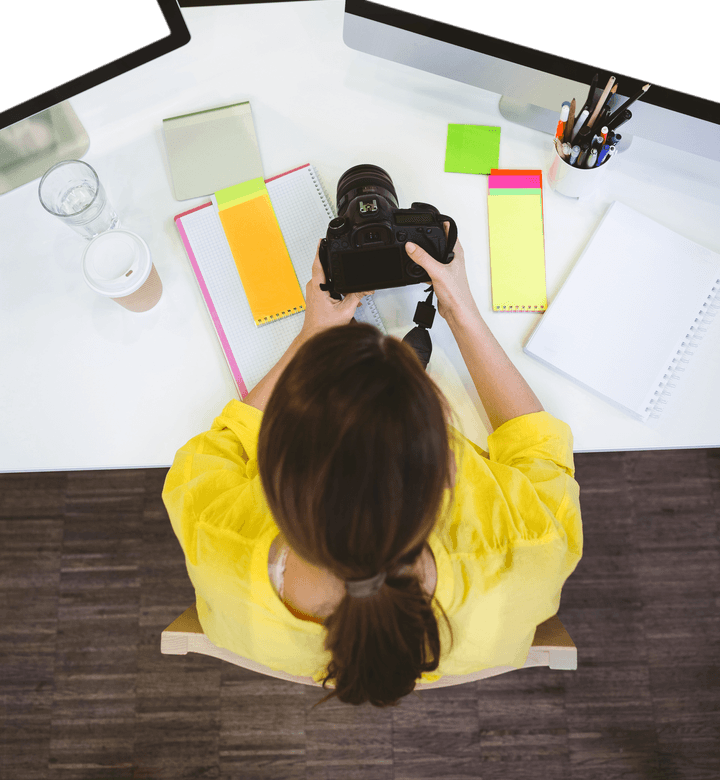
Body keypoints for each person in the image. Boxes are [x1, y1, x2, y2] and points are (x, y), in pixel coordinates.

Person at [162, 229, 583, 708]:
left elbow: (223, 444)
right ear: (451, 470)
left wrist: (312, 332)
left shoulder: (213, 533)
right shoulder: (530, 546)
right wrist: (461, 312)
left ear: (273, 474)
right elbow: (539, 451)